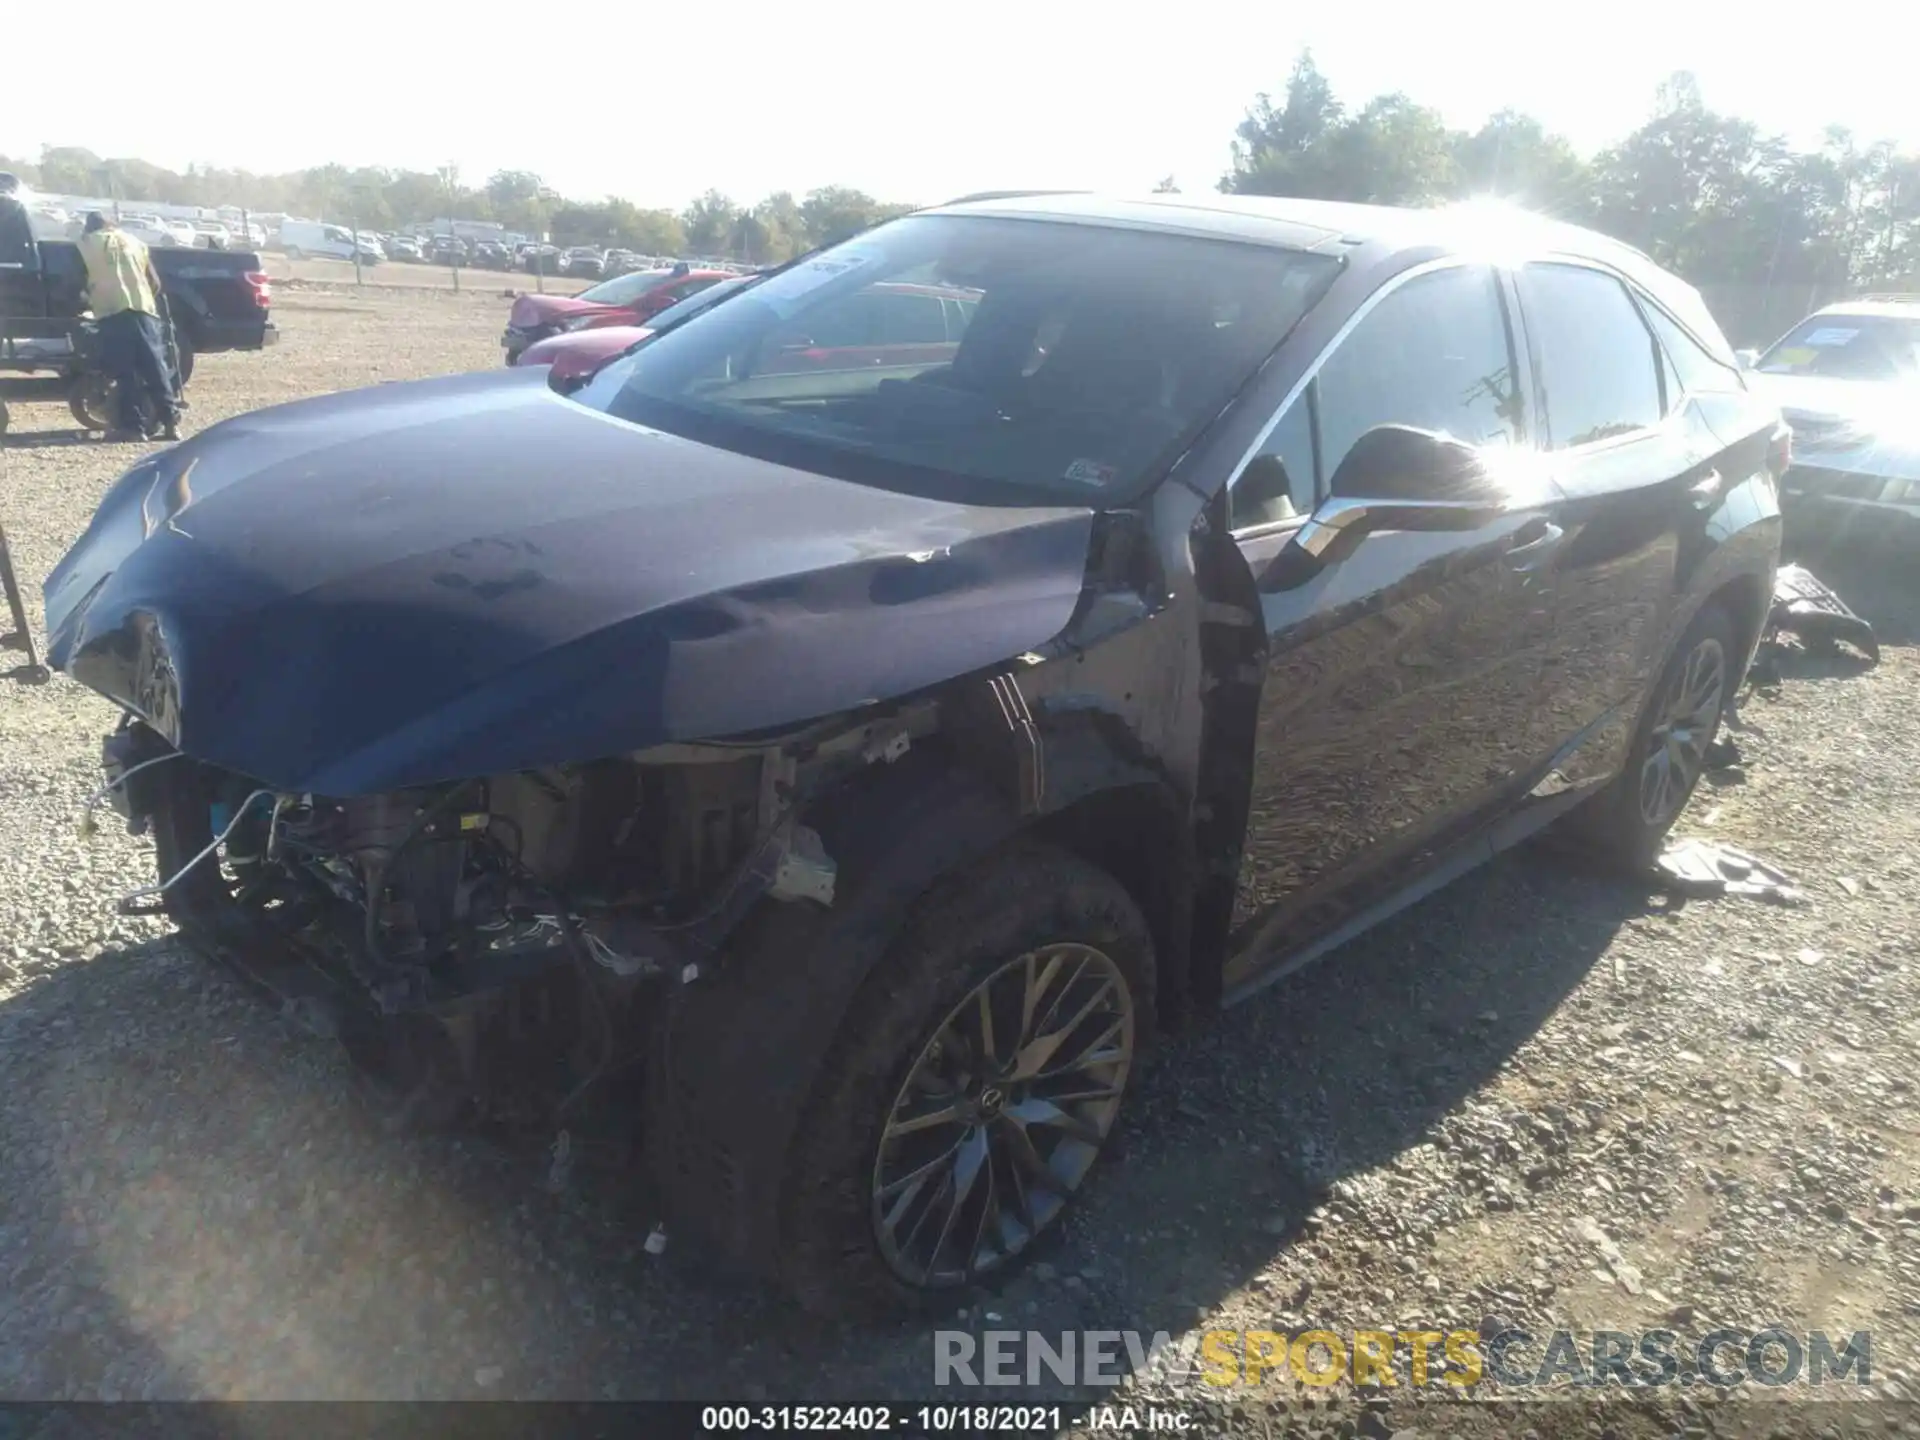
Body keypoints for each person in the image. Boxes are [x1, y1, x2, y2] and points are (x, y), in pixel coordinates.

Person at [77, 212, 180, 441]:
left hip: (113, 313)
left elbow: (76, 282)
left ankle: (133, 428)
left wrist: (89, 299)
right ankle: (171, 423)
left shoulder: (86, 244)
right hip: (144, 312)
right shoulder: (135, 242)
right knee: (155, 369)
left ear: (89, 228)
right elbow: (155, 282)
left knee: (126, 373)